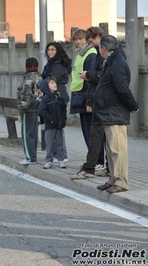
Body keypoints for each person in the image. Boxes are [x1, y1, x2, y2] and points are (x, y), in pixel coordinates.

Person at [93, 35, 139, 193]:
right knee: (111, 147)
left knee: (118, 148)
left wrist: (133, 105)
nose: (99, 51)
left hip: (115, 111)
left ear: (104, 49)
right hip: (109, 111)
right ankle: (113, 178)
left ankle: (121, 181)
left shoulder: (117, 63)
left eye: (99, 48)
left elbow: (122, 89)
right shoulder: (111, 61)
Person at [70, 26, 107, 180]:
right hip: (80, 95)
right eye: (75, 39)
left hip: (86, 96)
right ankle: (94, 161)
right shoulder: (82, 54)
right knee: (87, 132)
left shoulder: (91, 54)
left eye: (81, 39)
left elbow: (91, 78)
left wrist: (89, 100)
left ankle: (98, 162)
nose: (78, 42)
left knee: (92, 133)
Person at [41, 42, 72, 162]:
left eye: (53, 50)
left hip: (58, 98)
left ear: (58, 51)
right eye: (48, 50)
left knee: (58, 126)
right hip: (52, 97)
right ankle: (57, 154)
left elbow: (51, 81)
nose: (50, 52)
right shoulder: (51, 64)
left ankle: (61, 155)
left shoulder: (58, 65)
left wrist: (42, 85)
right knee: (53, 126)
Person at [17, 57, 43, 165]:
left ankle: (29, 157)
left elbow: (25, 98)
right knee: (33, 134)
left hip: (28, 110)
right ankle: (33, 156)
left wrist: (21, 112)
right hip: (37, 109)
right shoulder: (40, 78)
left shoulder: (27, 80)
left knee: (26, 134)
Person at [38, 76, 67, 169]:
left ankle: (61, 159)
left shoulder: (58, 96)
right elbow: (42, 110)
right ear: (46, 86)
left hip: (59, 124)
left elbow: (63, 107)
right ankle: (48, 160)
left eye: (55, 83)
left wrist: (63, 119)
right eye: (52, 83)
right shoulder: (45, 98)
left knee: (60, 143)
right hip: (50, 125)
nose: (55, 84)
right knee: (49, 143)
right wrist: (50, 119)